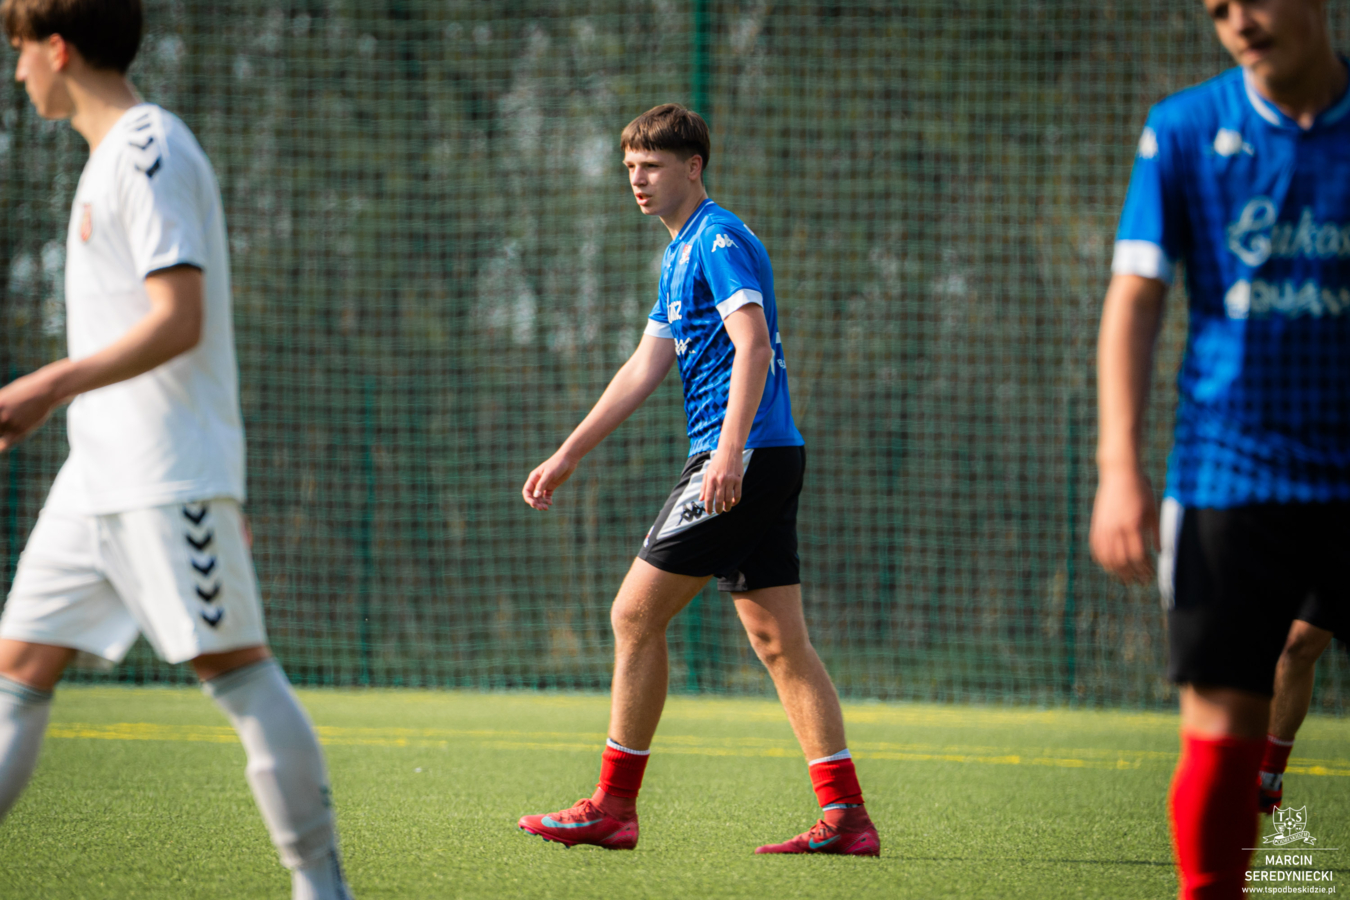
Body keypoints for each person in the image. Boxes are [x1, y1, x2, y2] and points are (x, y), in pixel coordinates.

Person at [0, 2, 352, 897]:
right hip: (94, 476)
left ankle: (322, 888)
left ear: (57, 49)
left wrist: (46, 384)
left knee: (235, 671)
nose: (17, 72)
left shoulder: (149, 148)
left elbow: (178, 319)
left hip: (164, 474)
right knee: (17, 667)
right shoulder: (103, 159)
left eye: (19, 52)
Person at [515, 104, 878, 856]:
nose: (637, 179)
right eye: (629, 167)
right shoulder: (678, 254)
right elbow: (643, 367)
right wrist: (569, 452)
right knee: (779, 641)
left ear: (693, 166)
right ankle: (847, 818)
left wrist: (728, 452)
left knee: (633, 615)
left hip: (741, 455)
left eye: (651, 166)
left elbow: (754, 346)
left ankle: (613, 807)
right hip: (761, 455)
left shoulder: (717, 239)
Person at [1089, 0, 1349, 896]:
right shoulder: (1184, 129)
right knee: (1222, 728)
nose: (1238, 19)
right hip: (1228, 476)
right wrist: (1118, 469)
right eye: (1216, 8)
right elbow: (1135, 298)